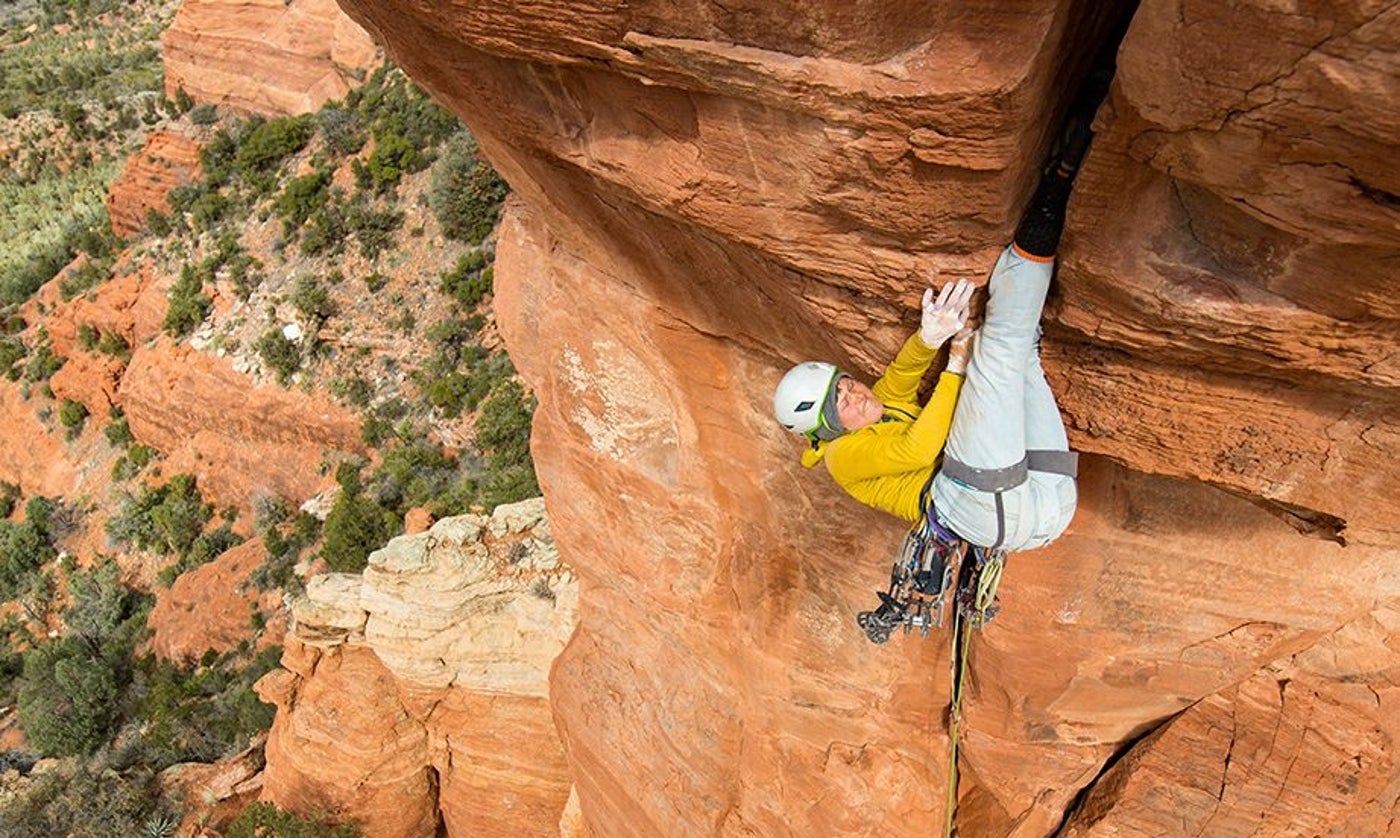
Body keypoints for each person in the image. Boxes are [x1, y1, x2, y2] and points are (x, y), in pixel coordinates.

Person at [772, 79, 1110, 553]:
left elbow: (900, 377)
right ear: (825, 429)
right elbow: (919, 449)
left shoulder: (878, 410)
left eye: (846, 384)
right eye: (841, 403)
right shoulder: (843, 457)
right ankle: (1056, 188)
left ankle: (1052, 201)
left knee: (1021, 353)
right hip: (984, 508)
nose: (855, 395)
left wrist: (929, 339)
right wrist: (954, 364)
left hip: (1043, 503)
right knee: (998, 346)